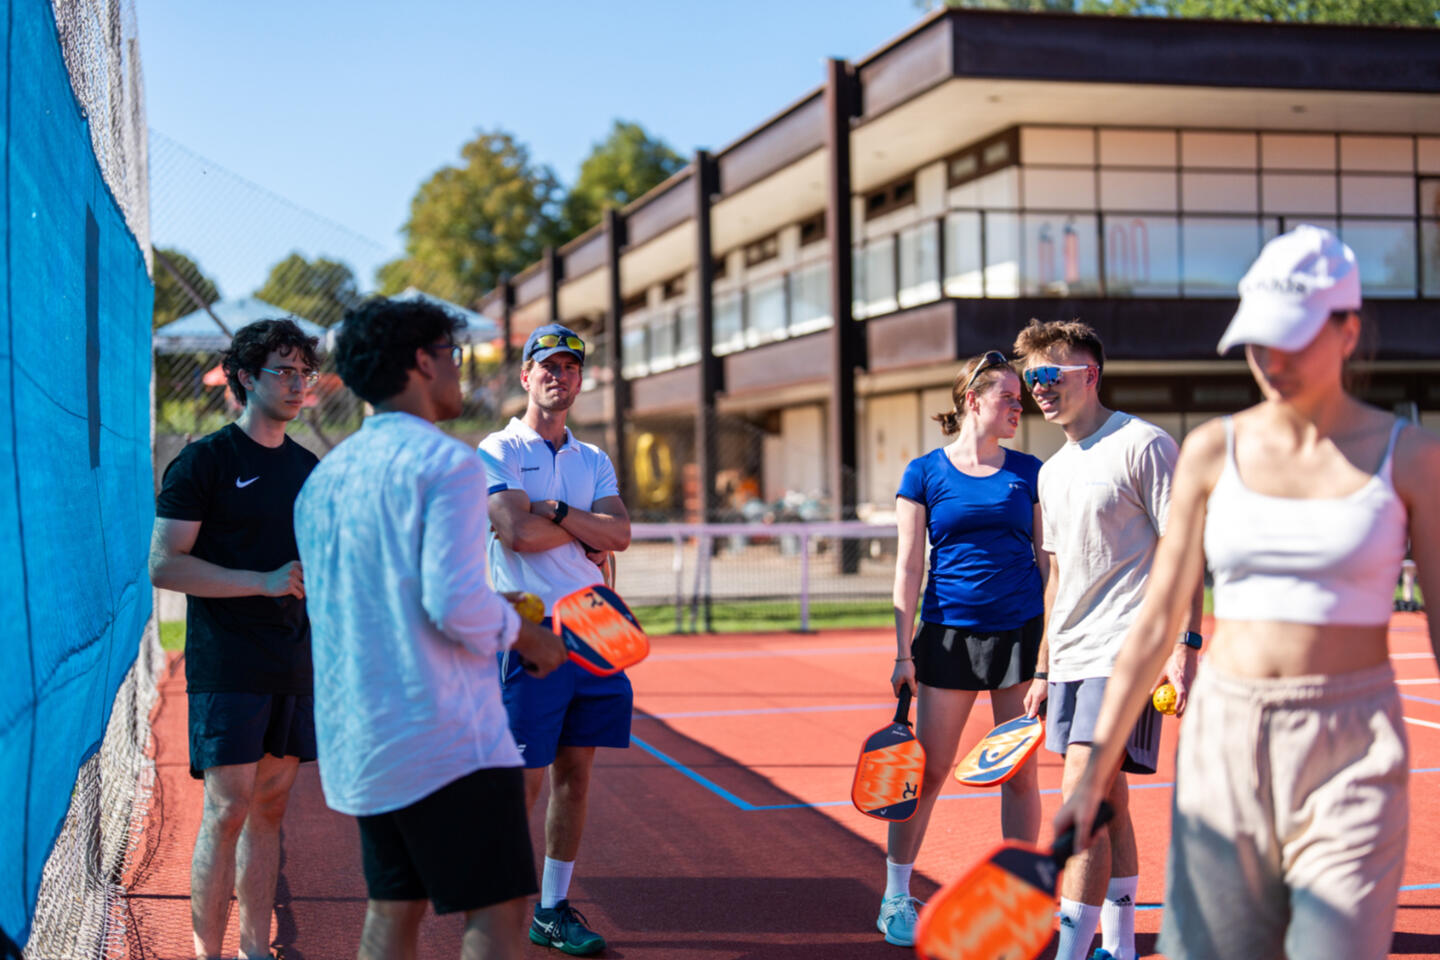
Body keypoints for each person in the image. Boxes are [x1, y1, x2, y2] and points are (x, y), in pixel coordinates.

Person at [1055, 225, 1440, 960]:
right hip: (1225, 741)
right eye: (1258, 341)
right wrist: (1093, 773)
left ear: (1348, 329)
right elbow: (1155, 623)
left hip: (1353, 745)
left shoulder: (1413, 460)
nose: (1272, 360)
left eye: (1293, 337)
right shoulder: (1209, 451)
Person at [294, 297, 567, 960]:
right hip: (446, 737)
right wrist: (526, 635)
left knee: (393, 912)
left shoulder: (323, 480)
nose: (459, 371)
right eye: (453, 355)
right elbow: (455, 605)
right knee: (497, 913)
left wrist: (492, 607)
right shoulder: (446, 463)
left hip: (363, 737)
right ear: (422, 361)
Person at [1012, 318, 1204, 960]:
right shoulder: (1052, 470)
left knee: (1082, 796)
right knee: (1109, 799)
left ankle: (1072, 950)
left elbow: (1185, 549)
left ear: (1089, 375)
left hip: (1126, 653)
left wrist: (1184, 643)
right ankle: (1118, 947)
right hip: (1069, 656)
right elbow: (1058, 576)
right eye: (1029, 376)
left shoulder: (1144, 445)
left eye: (1049, 374)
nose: (1036, 388)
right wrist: (1042, 669)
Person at [149, 318, 321, 960]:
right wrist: (264, 580)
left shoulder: (310, 468)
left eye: (305, 371)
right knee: (227, 809)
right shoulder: (205, 461)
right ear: (246, 378)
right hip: (228, 661)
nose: (299, 383)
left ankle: (254, 950)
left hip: (291, 660)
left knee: (272, 808)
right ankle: (208, 954)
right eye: (285, 370)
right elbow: (166, 565)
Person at [876, 351, 1046, 947]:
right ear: (972, 401)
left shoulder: (1030, 470)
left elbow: (1046, 563)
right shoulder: (924, 473)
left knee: (1019, 775)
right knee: (929, 771)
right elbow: (907, 568)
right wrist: (903, 654)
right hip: (946, 638)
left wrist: (1047, 652)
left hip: (1020, 636)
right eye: (1008, 397)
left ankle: (1018, 897)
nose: (1017, 407)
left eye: (1019, 399)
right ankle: (897, 895)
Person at [479, 322, 632, 956]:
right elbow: (515, 532)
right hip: (529, 627)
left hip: (596, 625)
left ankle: (550, 909)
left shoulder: (593, 458)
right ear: (525, 375)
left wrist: (556, 513)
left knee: (576, 772)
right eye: (547, 365)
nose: (558, 375)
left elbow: (620, 537)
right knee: (524, 777)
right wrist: (586, 530)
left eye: (570, 367)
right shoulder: (498, 448)